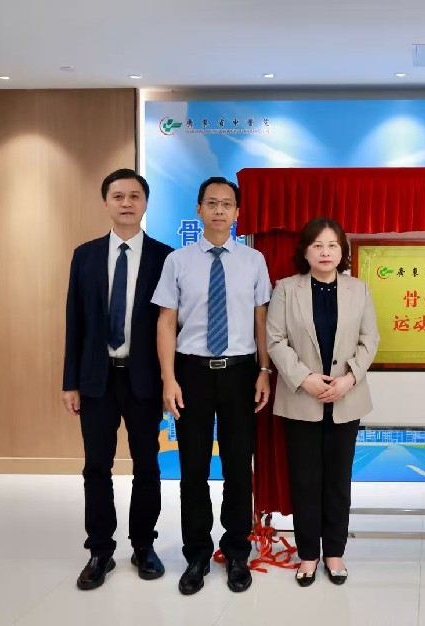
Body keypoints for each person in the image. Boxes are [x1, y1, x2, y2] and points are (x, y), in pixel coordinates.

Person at [152, 176, 273, 595]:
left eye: (227, 204)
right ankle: (197, 555)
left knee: (239, 468)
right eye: (212, 203)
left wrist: (264, 369)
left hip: (241, 373)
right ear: (199, 210)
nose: (219, 210)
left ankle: (237, 551)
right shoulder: (178, 261)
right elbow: (166, 321)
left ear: (238, 212)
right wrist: (169, 378)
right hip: (192, 373)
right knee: (193, 470)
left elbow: (261, 319)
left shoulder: (253, 261)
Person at [62, 168, 173, 590]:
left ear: (145, 203)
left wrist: (171, 381)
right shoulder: (85, 256)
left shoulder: (165, 257)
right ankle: (100, 550)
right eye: (118, 196)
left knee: (147, 465)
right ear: (106, 202)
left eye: (134, 196)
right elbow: (75, 321)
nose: (127, 203)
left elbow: (172, 325)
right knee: (96, 466)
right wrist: (70, 381)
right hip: (96, 379)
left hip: (144, 380)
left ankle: (144, 546)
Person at [266, 217, 379, 587]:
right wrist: (306, 379)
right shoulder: (286, 289)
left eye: (332, 245)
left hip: (346, 398)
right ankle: (308, 555)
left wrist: (348, 379)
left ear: (342, 250)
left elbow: (370, 340)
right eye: (317, 245)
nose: (325, 252)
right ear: (305, 251)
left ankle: (334, 552)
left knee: (337, 482)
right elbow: (275, 340)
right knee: (305, 481)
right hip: (302, 398)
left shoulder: (359, 289)